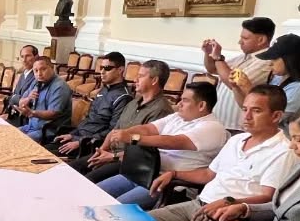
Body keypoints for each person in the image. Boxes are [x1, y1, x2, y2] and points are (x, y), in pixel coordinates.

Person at [109, 86, 290, 221]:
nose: (247, 116)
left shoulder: (282, 151)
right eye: (244, 109)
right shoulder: (237, 140)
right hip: (198, 203)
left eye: (256, 111)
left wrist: (229, 202)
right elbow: (208, 174)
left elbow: (268, 197)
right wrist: (174, 173)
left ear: (276, 116)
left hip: (223, 215)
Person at [89, 81, 227, 201]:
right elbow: (148, 129)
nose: (179, 104)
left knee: (114, 206)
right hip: (145, 172)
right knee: (94, 193)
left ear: (201, 105)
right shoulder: (177, 117)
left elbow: (172, 142)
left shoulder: (212, 127)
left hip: (171, 184)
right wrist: (124, 132)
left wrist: (132, 138)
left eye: (185, 100)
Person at [70, 60, 176, 179]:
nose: (135, 80)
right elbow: (114, 131)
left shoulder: (162, 110)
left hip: (129, 162)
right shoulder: (133, 103)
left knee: (88, 180)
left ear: (154, 80)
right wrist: (101, 151)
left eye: (140, 76)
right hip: (110, 153)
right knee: (69, 169)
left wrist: (112, 157)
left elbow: (146, 152)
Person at [53, 52, 133, 159]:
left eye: (107, 68)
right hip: (79, 137)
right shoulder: (104, 89)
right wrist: (72, 134)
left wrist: (80, 141)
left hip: (91, 144)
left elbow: (112, 131)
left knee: (47, 156)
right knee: (44, 148)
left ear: (120, 70)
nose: (102, 72)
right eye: (101, 68)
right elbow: (89, 118)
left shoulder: (123, 97)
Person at [202, 16, 275, 129]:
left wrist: (218, 58)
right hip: (221, 122)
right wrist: (209, 53)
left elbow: (233, 83)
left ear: (261, 40)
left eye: (245, 38)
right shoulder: (243, 57)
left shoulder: (266, 61)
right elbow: (214, 69)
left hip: (237, 126)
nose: (240, 42)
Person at [259, 33, 300, 128]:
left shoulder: (298, 88)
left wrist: (247, 87)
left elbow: (271, 119)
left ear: (290, 60)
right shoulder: (277, 78)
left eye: (274, 59)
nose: (270, 64)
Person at [15, 55, 72, 144]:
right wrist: (28, 98)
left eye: (43, 69)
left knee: (19, 142)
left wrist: (32, 113)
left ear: (52, 68)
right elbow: (21, 102)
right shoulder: (36, 82)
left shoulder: (60, 87)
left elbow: (53, 113)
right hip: (31, 126)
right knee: (8, 135)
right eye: (36, 70)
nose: (39, 74)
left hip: (49, 131)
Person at [4, 45, 40, 125]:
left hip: (25, 120)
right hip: (14, 114)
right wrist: (15, 99)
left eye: (28, 56)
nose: (24, 60)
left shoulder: (38, 75)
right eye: (22, 57)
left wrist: (14, 99)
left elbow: (27, 101)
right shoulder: (23, 73)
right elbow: (15, 95)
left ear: (36, 57)